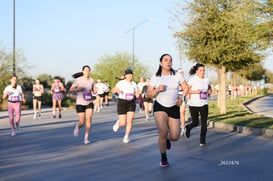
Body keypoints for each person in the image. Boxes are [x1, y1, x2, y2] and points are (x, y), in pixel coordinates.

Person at [147, 54, 188, 168]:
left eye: (170, 60)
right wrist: (156, 90)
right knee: (163, 131)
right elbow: (148, 94)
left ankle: (166, 140)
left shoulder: (177, 75)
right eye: (165, 60)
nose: (168, 62)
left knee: (175, 136)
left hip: (174, 106)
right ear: (161, 63)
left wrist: (181, 98)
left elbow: (186, 88)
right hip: (160, 106)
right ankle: (163, 158)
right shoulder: (156, 77)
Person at [185, 63, 212, 147]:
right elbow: (186, 90)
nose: (202, 72)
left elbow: (209, 87)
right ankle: (188, 128)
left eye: (203, 70)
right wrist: (195, 91)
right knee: (195, 122)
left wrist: (210, 91)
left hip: (204, 103)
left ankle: (202, 141)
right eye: (200, 70)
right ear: (197, 71)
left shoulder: (207, 80)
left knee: (204, 123)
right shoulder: (193, 80)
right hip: (193, 104)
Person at [70, 65, 97, 144]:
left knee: (89, 120)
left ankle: (86, 138)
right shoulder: (78, 80)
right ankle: (77, 126)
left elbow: (93, 91)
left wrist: (95, 91)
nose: (87, 72)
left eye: (88, 70)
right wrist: (77, 89)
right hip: (80, 103)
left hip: (89, 102)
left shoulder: (91, 80)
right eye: (85, 70)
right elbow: (71, 89)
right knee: (82, 122)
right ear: (83, 72)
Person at [111, 69, 138, 144]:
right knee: (123, 123)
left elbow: (136, 92)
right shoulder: (121, 83)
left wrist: (138, 94)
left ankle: (126, 136)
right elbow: (113, 90)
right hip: (122, 102)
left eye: (131, 74)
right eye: (128, 74)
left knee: (130, 120)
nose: (130, 76)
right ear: (125, 76)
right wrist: (116, 90)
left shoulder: (134, 84)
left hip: (131, 102)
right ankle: (118, 122)